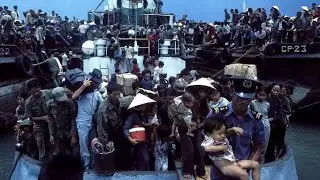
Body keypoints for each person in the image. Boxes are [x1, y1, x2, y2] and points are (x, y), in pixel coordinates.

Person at [207, 76, 265, 179]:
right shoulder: (216, 114)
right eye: (241, 98)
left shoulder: (256, 119)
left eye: (248, 98)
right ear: (232, 93)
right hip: (219, 170)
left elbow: (259, 145)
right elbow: (205, 139)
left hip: (243, 169)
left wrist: (250, 162)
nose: (244, 102)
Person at [72, 69, 103, 168]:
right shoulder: (83, 92)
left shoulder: (96, 93)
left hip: (92, 124)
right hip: (82, 124)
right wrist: (84, 85)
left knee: (93, 146)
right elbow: (73, 96)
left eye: (98, 82)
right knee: (84, 149)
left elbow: (102, 106)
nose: (96, 84)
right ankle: (85, 168)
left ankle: (93, 166)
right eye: (95, 82)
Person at [123, 93, 156, 171]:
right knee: (144, 160)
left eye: (145, 105)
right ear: (138, 106)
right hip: (139, 143)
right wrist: (130, 139)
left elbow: (145, 124)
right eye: (142, 105)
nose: (144, 107)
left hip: (148, 140)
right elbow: (125, 129)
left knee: (147, 159)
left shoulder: (146, 113)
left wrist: (151, 126)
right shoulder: (133, 116)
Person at [25, 79, 53, 161]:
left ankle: (54, 155)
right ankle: (42, 159)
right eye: (33, 92)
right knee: (40, 141)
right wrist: (43, 118)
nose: (36, 93)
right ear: (29, 91)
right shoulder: (28, 102)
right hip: (39, 123)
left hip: (51, 120)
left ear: (40, 87)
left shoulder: (48, 93)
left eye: (37, 91)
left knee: (53, 138)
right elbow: (30, 117)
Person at [47, 87, 78, 155]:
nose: (62, 101)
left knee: (73, 153)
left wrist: (73, 135)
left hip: (69, 131)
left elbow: (74, 119)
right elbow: (50, 120)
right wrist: (51, 134)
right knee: (57, 153)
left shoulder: (70, 104)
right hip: (58, 133)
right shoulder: (50, 105)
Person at [250, 86, 270, 163]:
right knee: (254, 143)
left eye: (264, 95)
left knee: (264, 145)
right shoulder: (252, 103)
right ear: (256, 94)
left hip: (266, 126)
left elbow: (266, 114)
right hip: (255, 125)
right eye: (260, 95)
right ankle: (252, 161)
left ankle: (261, 163)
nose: (261, 97)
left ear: (266, 96)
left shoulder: (267, 104)